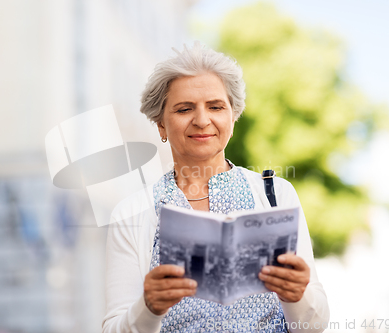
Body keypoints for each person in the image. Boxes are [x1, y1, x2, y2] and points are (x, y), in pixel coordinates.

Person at [102, 42, 329, 333]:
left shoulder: (276, 195)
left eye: (216, 106)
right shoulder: (132, 214)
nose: (201, 120)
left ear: (233, 117)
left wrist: (297, 295)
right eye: (184, 109)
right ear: (160, 124)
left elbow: (314, 325)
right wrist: (148, 307)